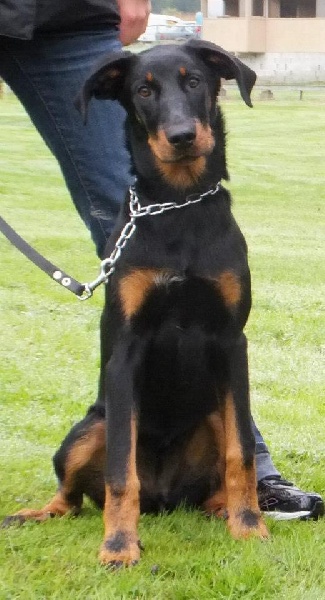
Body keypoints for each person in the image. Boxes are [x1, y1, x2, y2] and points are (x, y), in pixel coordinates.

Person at [0, 0, 323, 521]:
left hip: (66, 14)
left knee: (114, 202)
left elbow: (231, 346)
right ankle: (77, 500)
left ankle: (246, 478)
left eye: (190, 85)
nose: (177, 123)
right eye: (148, 93)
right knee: (124, 234)